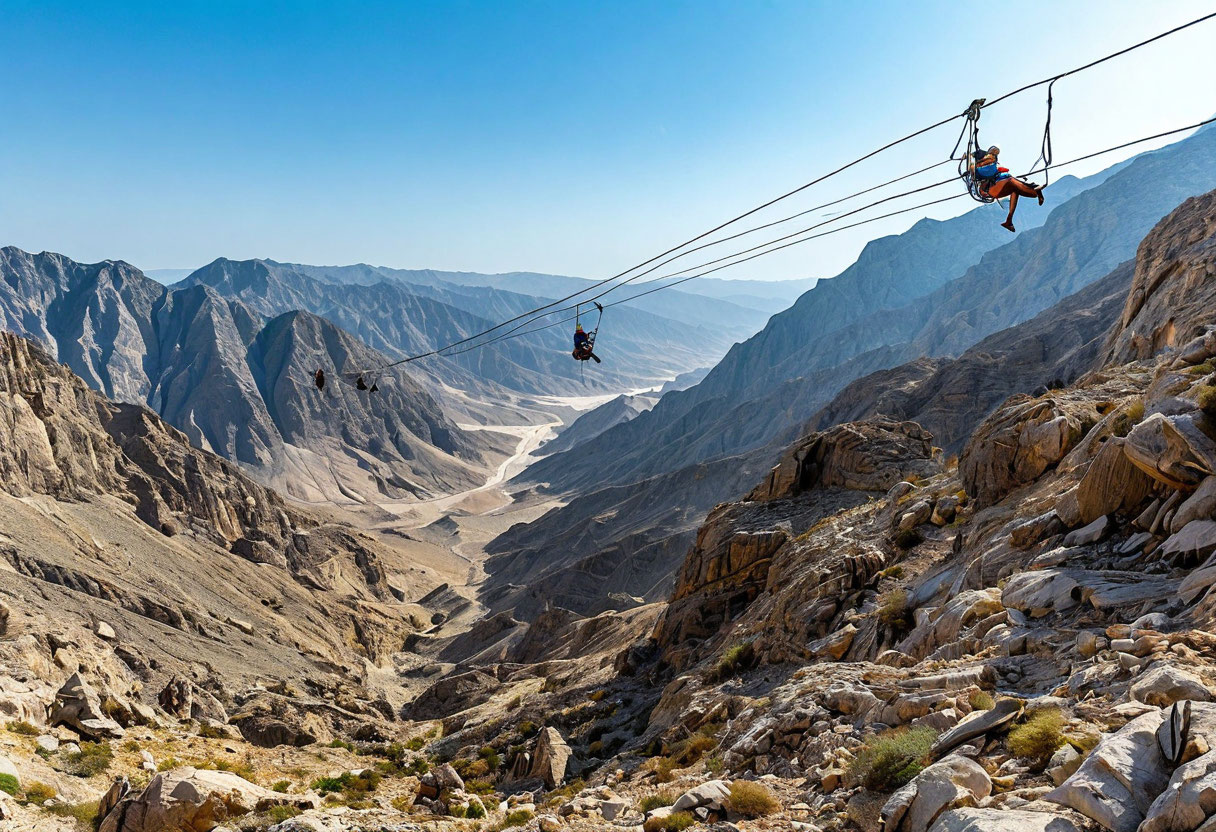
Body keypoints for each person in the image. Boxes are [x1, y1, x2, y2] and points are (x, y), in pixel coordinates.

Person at [970, 145, 1044, 232]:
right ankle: (1033, 187)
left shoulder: (988, 164)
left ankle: (1009, 220)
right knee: (1017, 188)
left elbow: (975, 170)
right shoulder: (988, 164)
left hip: (995, 186)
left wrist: (970, 160)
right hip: (996, 185)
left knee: (1015, 190)